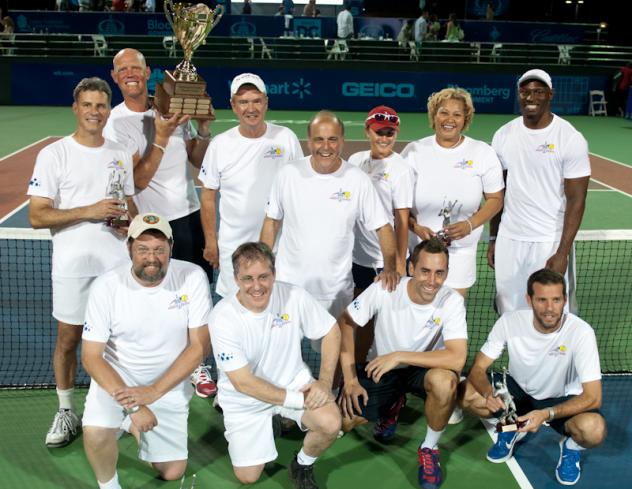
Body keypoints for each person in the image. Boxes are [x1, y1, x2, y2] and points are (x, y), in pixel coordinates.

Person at [27, 77, 135, 448]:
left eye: (101, 106)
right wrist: (90, 210)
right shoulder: (54, 154)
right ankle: (65, 411)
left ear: (108, 110)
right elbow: (38, 216)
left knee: (118, 340)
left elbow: (127, 206)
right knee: (69, 339)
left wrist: (126, 226)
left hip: (116, 265)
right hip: (73, 265)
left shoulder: (120, 153)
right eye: (87, 105)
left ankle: (114, 406)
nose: (94, 112)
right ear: (76, 109)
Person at [105, 48, 216, 398]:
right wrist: (162, 135)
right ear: (115, 77)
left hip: (190, 215)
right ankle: (155, 363)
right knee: (156, 296)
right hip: (152, 226)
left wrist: (203, 129)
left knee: (196, 294)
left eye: (135, 67)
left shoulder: (169, 107)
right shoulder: (115, 124)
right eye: (122, 69)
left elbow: (196, 162)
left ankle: (196, 363)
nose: (130, 73)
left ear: (147, 71)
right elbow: (134, 182)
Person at [82, 213, 212, 489]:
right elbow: (91, 357)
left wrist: (154, 392)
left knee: (172, 471)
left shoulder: (192, 277)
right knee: (95, 433)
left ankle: (128, 424)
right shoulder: (105, 287)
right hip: (116, 382)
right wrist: (136, 405)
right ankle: (109, 485)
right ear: (129, 247)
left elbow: (200, 346)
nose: (151, 257)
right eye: (143, 249)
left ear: (171, 247)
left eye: (159, 249)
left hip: (168, 384)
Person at [209, 242, 341, 488]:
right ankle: (274, 419)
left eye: (263, 277)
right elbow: (243, 383)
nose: (257, 286)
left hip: (293, 381)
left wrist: (324, 383)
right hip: (245, 400)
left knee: (331, 423)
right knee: (248, 477)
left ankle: (302, 463)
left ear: (274, 275)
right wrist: (300, 401)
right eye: (247, 278)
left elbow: (331, 331)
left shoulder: (294, 295)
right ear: (236, 279)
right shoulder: (222, 317)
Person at [339, 238, 467, 489]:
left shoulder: (451, 300)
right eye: (425, 271)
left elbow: (456, 357)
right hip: (382, 370)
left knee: (445, 382)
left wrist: (399, 355)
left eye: (439, 273)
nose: (432, 281)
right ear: (411, 269)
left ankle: (429, 447)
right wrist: (351, 378)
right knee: (338, 423)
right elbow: (346, 321)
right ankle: (392, 405)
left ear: (447, 274)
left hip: (420, 369)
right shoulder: (386, 288)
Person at [460, 268, 606, 486]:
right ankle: (509, 428)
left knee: (594, 430)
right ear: (529, 300)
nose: (549, 308)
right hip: (518, 390)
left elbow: (594, 397)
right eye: (542, 300)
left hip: (560, 399)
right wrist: (489, 395)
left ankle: (570, 447)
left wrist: (546, 414)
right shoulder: (510, 322)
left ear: (565, 300)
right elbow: (477, 369)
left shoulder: (581, 332)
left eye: (556, 300)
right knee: (462, 392)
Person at [260, 111, 400, 323]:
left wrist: (389, 267)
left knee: (333, 353)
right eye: (319, 139)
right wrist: (262, 265)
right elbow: (271, 222)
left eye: (332, 139)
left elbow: (383, 227)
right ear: (309, 142)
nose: (326, 147)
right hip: (288, 286)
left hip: (335, 291)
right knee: (283, 352)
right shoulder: (287, 174)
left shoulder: (358, 180)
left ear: (342, 141)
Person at [489, 69, 590, 314]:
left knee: (552, 312)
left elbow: (577, 200)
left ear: (550, 95)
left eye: (538, 91)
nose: (530, 97)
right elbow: (497, 192)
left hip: (549, 240)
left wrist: (562, 252)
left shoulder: (569, 138)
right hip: (510, 239)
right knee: (509, 309)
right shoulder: (503, 135)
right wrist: (493, 238)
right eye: (525, 92)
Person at [199, 72, 303, 300]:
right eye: (243, 102)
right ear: (233, 106)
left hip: (280, 248)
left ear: (266, 102)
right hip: (233, 249)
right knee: (233, 311)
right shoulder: (220, 145)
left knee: (278, 309)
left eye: (257, 101)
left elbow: (299, 191)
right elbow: (207, 197)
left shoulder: (286, 138)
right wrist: (210, 242)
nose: (251, 108)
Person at [402, 87, 504, 298]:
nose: (450, 119)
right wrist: (416, 227)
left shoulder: (482, 153)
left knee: (451, 316)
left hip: (461, 254)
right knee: (417, 316)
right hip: (420, 253)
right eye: (443, 112)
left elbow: (496, 199)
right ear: (434, 115)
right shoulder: (413, 152)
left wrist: (469, 225)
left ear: (465, 119)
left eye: (457, 114)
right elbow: (398, 206)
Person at [348, 106, 414, 362]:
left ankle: (372, 372)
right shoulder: (355, 161)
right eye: (379, 132)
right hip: (357, 258)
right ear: (368, 131)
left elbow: (402, 219)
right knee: (358, 318)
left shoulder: (401, 170)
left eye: (390, 133)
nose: (384, 138)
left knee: (384, 323)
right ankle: (357, 367)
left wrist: (397, 265)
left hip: (382, 262)